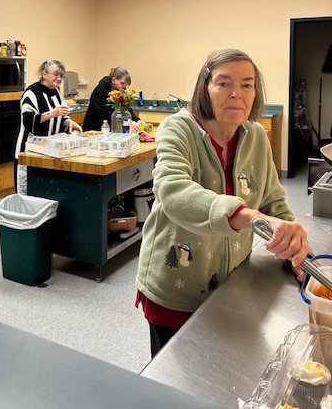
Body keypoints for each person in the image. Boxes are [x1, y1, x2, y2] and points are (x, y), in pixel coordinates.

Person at [136, 49, 310, 357]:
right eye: (223, 83)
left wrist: (296, 250)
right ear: (205, 88)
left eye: (247, 84)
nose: (236, 94)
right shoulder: (179, 128)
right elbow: (173, 190)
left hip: (232, 283)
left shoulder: (255, 135)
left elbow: (273, 201)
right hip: (177, 285)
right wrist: (245, 215)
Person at [14, 59, 82, 192]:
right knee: (29, 190)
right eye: (56, 75)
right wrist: (52, 113)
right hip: (29, 150)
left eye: (61, 76)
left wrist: (69, 122)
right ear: (44, 74)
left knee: (47, 189)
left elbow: (61, 116)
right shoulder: (31, 93)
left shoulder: (56, 91)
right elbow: (29, 121)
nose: (59, 79)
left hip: (49, 149)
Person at [82, 66, 140, 132]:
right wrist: (128, 122)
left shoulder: (120, 90)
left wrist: (137, 121)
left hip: (111, 127)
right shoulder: (100, 90)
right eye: (122, 83)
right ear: (113, 80)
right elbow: (105, 113)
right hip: (94, 128)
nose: (124, 87)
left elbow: (126, 109)